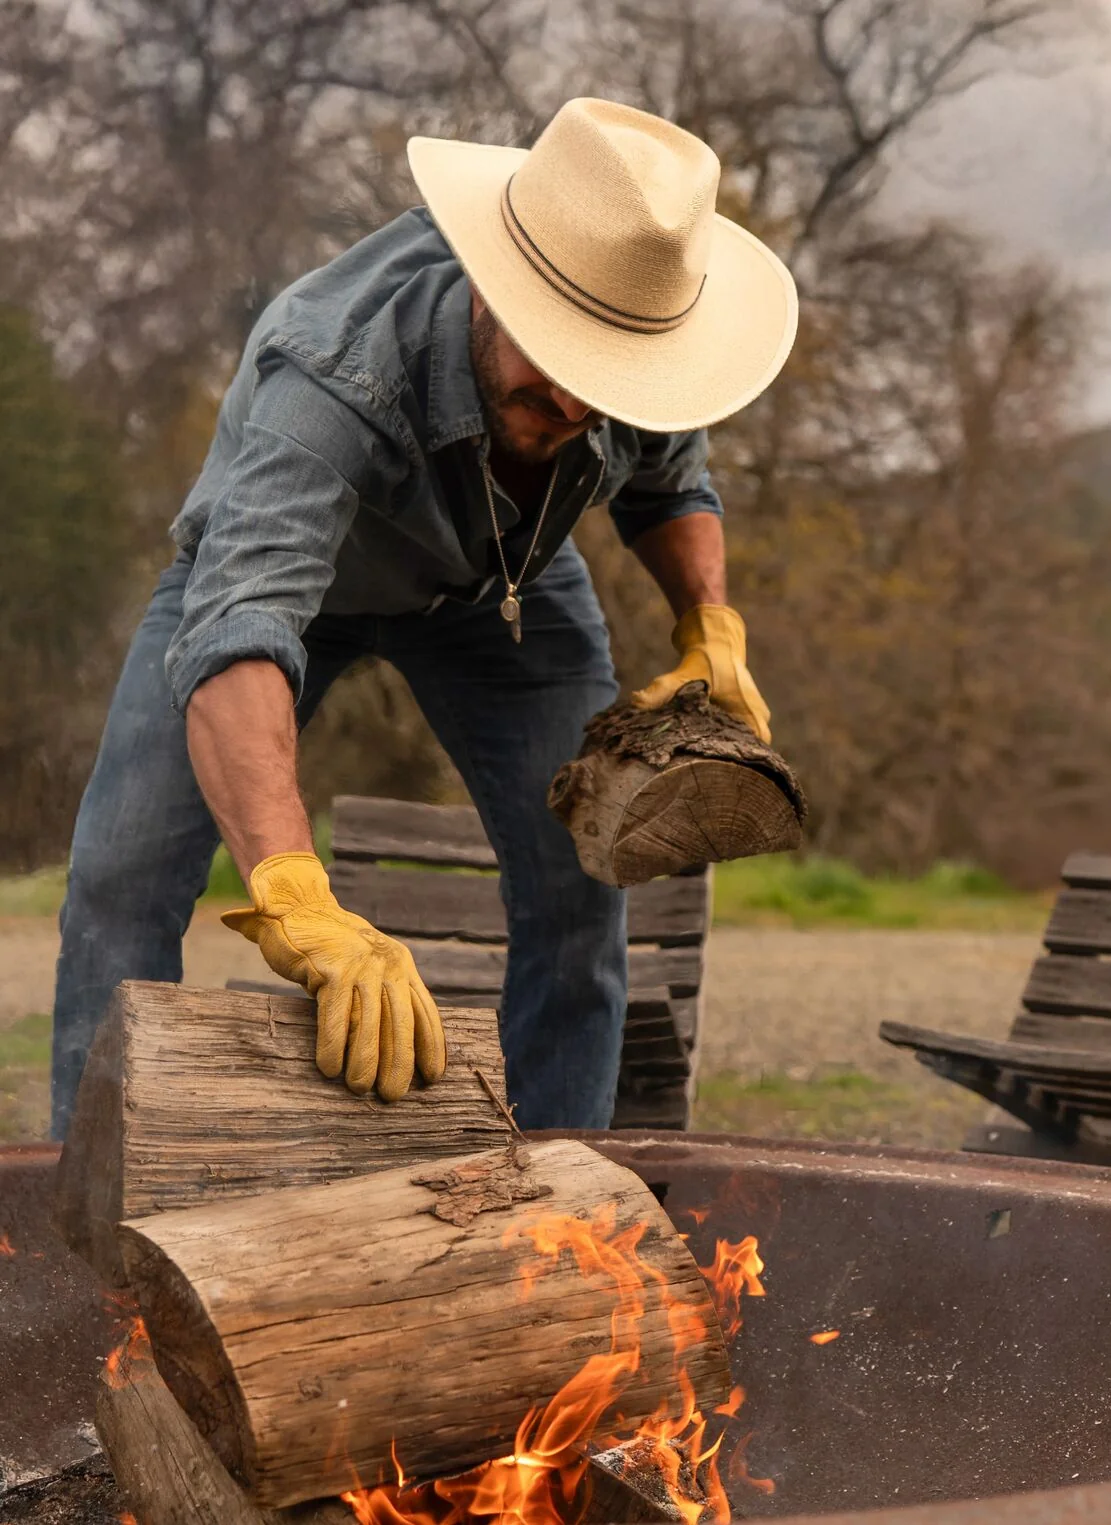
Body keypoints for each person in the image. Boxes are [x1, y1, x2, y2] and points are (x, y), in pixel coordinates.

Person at [48, 97, 798, 1139]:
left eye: (602, 389)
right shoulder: (331, 366)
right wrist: (295, 896)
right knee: (120, 873)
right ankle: (94, 1203)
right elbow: (242, 623)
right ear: (491, 289)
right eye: (551, 384)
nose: (576, 413)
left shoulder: (636, 343)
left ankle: (549, 1206)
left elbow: (669, 490)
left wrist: (708, 623)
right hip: (281, 591)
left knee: (582, 882)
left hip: (502, 589)